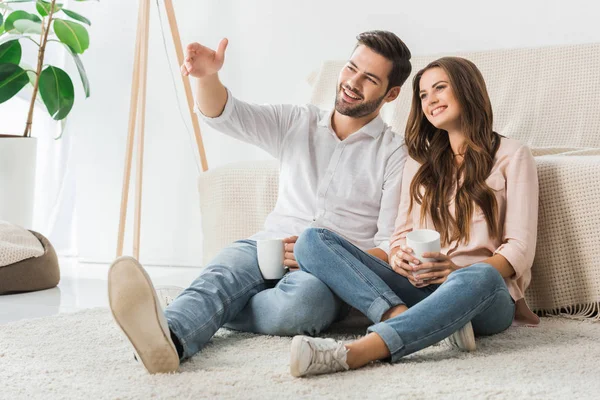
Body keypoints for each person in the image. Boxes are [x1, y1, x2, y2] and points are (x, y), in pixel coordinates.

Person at [107, 31, 412, 374]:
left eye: (369, 79)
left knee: (303, 307)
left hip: (326, 276)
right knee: (227, 269)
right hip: (266, 246)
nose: (352, 82)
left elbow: (387, 245)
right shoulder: (298, 121)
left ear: (392, 93)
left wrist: (324, 256)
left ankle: (197, 303)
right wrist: (208, 76)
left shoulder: (395, 154)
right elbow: (227, 114)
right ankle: (169, 338)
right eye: (351, 68)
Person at [290, 56, 540, 377]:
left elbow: (519, 248)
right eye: (423, 95)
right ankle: (405, 318)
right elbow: (400, 234)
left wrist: (457, 270)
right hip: (419, 286)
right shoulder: (419, 163)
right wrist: (398, 258)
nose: (430, 99)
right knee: (312, 240)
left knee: (479, 276)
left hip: (483, 295)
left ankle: (358, 352)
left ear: (468, 89)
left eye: (439, 88)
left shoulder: (512, 155)